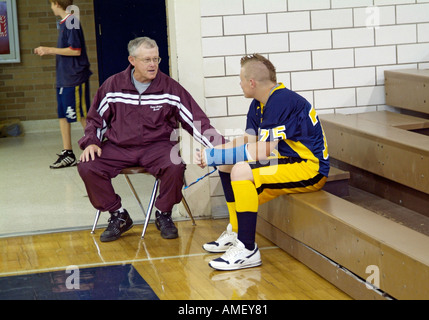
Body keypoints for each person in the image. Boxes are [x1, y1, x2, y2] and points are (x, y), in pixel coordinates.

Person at [77, 37, 225, 242]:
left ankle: (163, 214)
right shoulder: (112, 86)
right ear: (132, 60)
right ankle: (118, 214)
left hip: (158, 147)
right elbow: (95, 119)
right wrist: (91, 141)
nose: (153, 64)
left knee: (175, 164)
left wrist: (221, 149)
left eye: (156, 59)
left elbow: (197, 122)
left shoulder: (170, 88)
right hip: (119, 146)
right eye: (147, 60)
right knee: (87, 165)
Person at [197, 54, 330, 271]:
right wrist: (214, 152)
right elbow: (249, 141)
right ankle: (236, 231)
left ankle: (247, 249)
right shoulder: (260, 103)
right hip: (287, 161)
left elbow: (262, 151)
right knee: (227, 166)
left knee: (240, 170)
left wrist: (213, 157)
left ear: (252, 82)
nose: (239, 84)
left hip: (310, 168)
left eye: (241, 80)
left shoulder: (281, 101)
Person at [34, 0, 92, 169]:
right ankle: (68, 153)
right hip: (64, 78)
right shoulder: (64, 23)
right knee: (62, 114)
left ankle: (96, 146)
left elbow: (76, 50)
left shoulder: (72, 22)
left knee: (81, 114)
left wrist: (48, 50)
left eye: (51, 4)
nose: (51, 7)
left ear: (56, 4)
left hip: (74, 78)